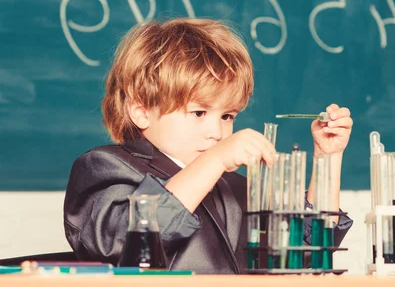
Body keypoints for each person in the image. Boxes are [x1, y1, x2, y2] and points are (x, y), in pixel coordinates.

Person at [63, 18, 354, 274]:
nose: (216, 132)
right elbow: (123, 243)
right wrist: (215, 160)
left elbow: (307, 254)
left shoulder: (235, 188)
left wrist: (327, 159)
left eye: (227, 116)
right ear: (141, 111)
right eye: (199, 113)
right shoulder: (105, 167)